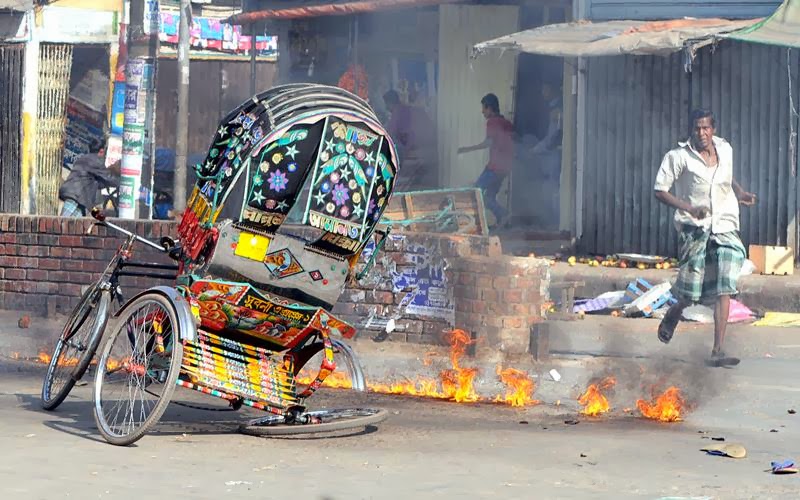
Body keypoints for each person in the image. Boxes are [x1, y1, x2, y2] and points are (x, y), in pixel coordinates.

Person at [653, 109, 757, 367]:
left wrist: (741, 192)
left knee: (725, 284)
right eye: (697, 128)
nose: (701, 133)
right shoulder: (678, 157)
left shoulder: (725, 149)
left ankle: (718, 350)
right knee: (692, 292)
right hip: (694, 228)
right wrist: (688, 208)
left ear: (713, 129)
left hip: (725, 224)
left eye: (706, 128)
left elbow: (725, 175)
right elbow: (659, 190)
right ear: (691, 130)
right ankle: (675, 312)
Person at [457, 93, 514, 227]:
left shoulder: (492, 122)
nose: (482, 111)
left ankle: (484, 221)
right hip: (505, 168)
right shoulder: (506, 123)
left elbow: (488, 143)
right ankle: (502, 217)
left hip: (494, 168)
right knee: (488, 198)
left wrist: (467, 149)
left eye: (484, 108)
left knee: (476, 193)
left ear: (490, 108)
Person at [383, 89, 437, 191]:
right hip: (432, 154)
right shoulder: (413, 110)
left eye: (387, 105)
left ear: (390, 103)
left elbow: (387, 135)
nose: (386, 108)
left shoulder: (397, 112)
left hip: (416, 156)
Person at [59, 139, 120, 217]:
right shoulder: (96, 161)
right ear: (101, 151)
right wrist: (122, 182)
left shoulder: (83, 158)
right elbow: (108, 178)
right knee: (66, 223)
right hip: (77, 197)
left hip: (77, 197)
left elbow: (95, 181)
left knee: (68, 224)